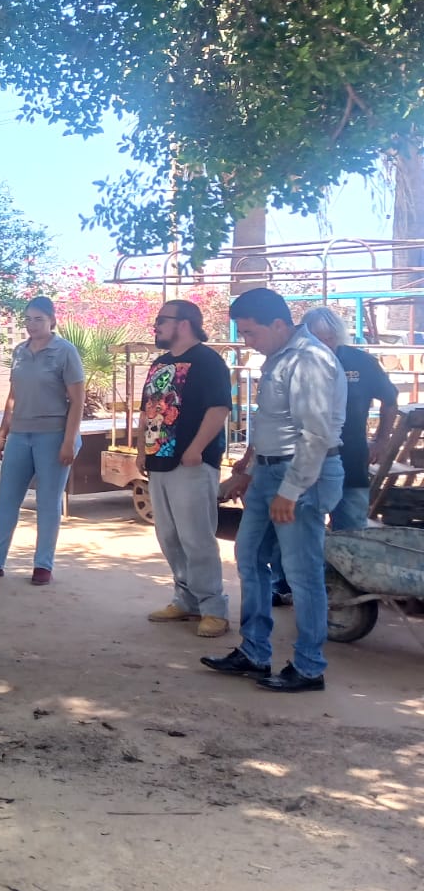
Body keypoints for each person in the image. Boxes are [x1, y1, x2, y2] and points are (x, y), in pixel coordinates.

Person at [205, 288, 345, 693]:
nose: (247, 342)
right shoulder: (280, 358)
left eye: (251, 333)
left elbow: (315, 435)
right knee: (248, 556)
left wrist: (292, 489)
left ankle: (309, 667)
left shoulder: (309, 360)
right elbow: (272, 426)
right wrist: (248, 471)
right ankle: (254, 652)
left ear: (279, 324)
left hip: (302, 475)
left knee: (302, 575)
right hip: (269, 473)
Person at [0, 296, 85, 586]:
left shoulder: (65, 352)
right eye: (28, 319)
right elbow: (13, 396)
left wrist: (69, 441)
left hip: (53, 436)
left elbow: (78, 400)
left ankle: (43, 565)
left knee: (47, 502)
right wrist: (3, 432)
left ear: (52, 320)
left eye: (38, 319)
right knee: (7, 499)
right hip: (20, 435)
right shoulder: (19, 351)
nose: (32, 325)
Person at [139, 300, 234, 637]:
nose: (156, 326)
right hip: (158, 461)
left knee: (197, 537)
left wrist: (195, 448)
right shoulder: (160, 363)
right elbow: (148, 409)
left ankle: (213, 608)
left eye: (161, 320)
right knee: (169, 537)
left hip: (192, 463)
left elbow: (220, 408)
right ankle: (186, 600)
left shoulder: (209, 362)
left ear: (184, 323)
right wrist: (141, 449)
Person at [303, 306, 398, 531]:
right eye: (317, 339)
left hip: (352, 459)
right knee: (304, 531)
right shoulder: (297, 363)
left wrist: (381, 440)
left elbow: (390, 399)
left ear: (336, 336)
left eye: (328, 338)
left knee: (352, 530)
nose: (325, 344)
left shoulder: (361, 362)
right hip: (305, 461)